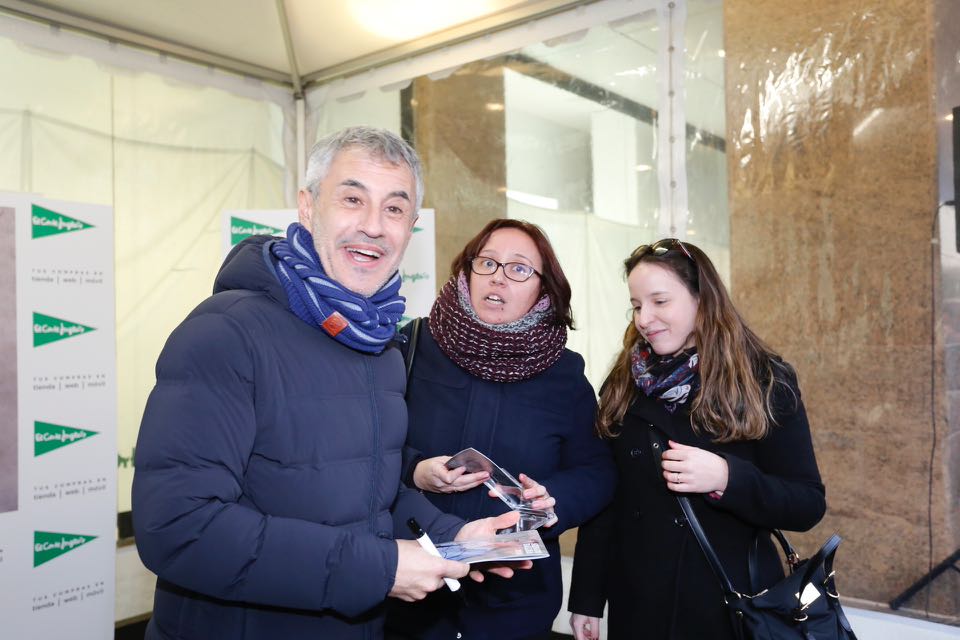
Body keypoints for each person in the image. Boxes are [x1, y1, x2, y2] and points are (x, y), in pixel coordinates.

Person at [132, 126, 524, 640]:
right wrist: (379, 568)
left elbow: (368, 494)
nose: (373, 226)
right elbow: (179, 529)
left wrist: (454, 536)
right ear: (308, 207)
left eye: (394, 209)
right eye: (352, 199)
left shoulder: (379, 343)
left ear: (410, 228)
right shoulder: (225, 333)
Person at [567, 238, 826, 640]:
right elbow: (607, 498)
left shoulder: (764, 380)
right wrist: (586, 598)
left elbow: (807, 503)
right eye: (637, 305)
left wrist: (727, 477)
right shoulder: (622, 384)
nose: (644, 318)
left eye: (660, 301)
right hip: (637, 604)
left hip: (729, 606)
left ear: (702, 300)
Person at [386, 218, 617, 639]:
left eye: (519, 269)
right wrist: (416, 470)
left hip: (515, 597)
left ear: (543, 289)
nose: (498, 278)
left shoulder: (564, 376)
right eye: (487, 263)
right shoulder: (413, 347)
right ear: (466, 271)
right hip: (411, 584)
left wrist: (553, 501)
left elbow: (598, 472)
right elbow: (364, 446)